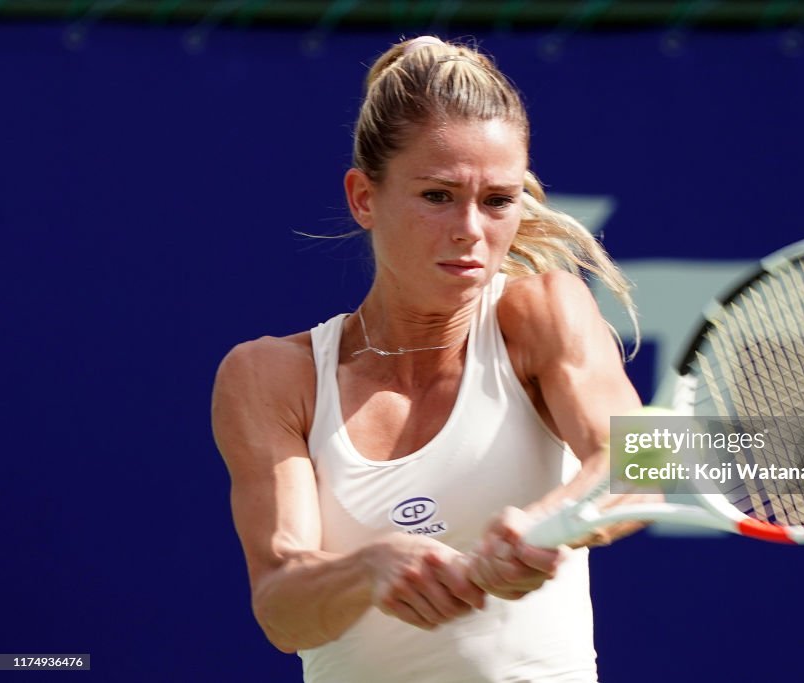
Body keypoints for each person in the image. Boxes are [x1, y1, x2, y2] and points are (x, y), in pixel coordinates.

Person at [211, 35, 649, 683]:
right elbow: (282, 607)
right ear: (364, 197)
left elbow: (643, 462)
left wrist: (549, 521)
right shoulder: (269, 377)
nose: (471, 230)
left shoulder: (548, 310)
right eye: (438, 195)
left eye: (498, 200)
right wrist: (368, 569)